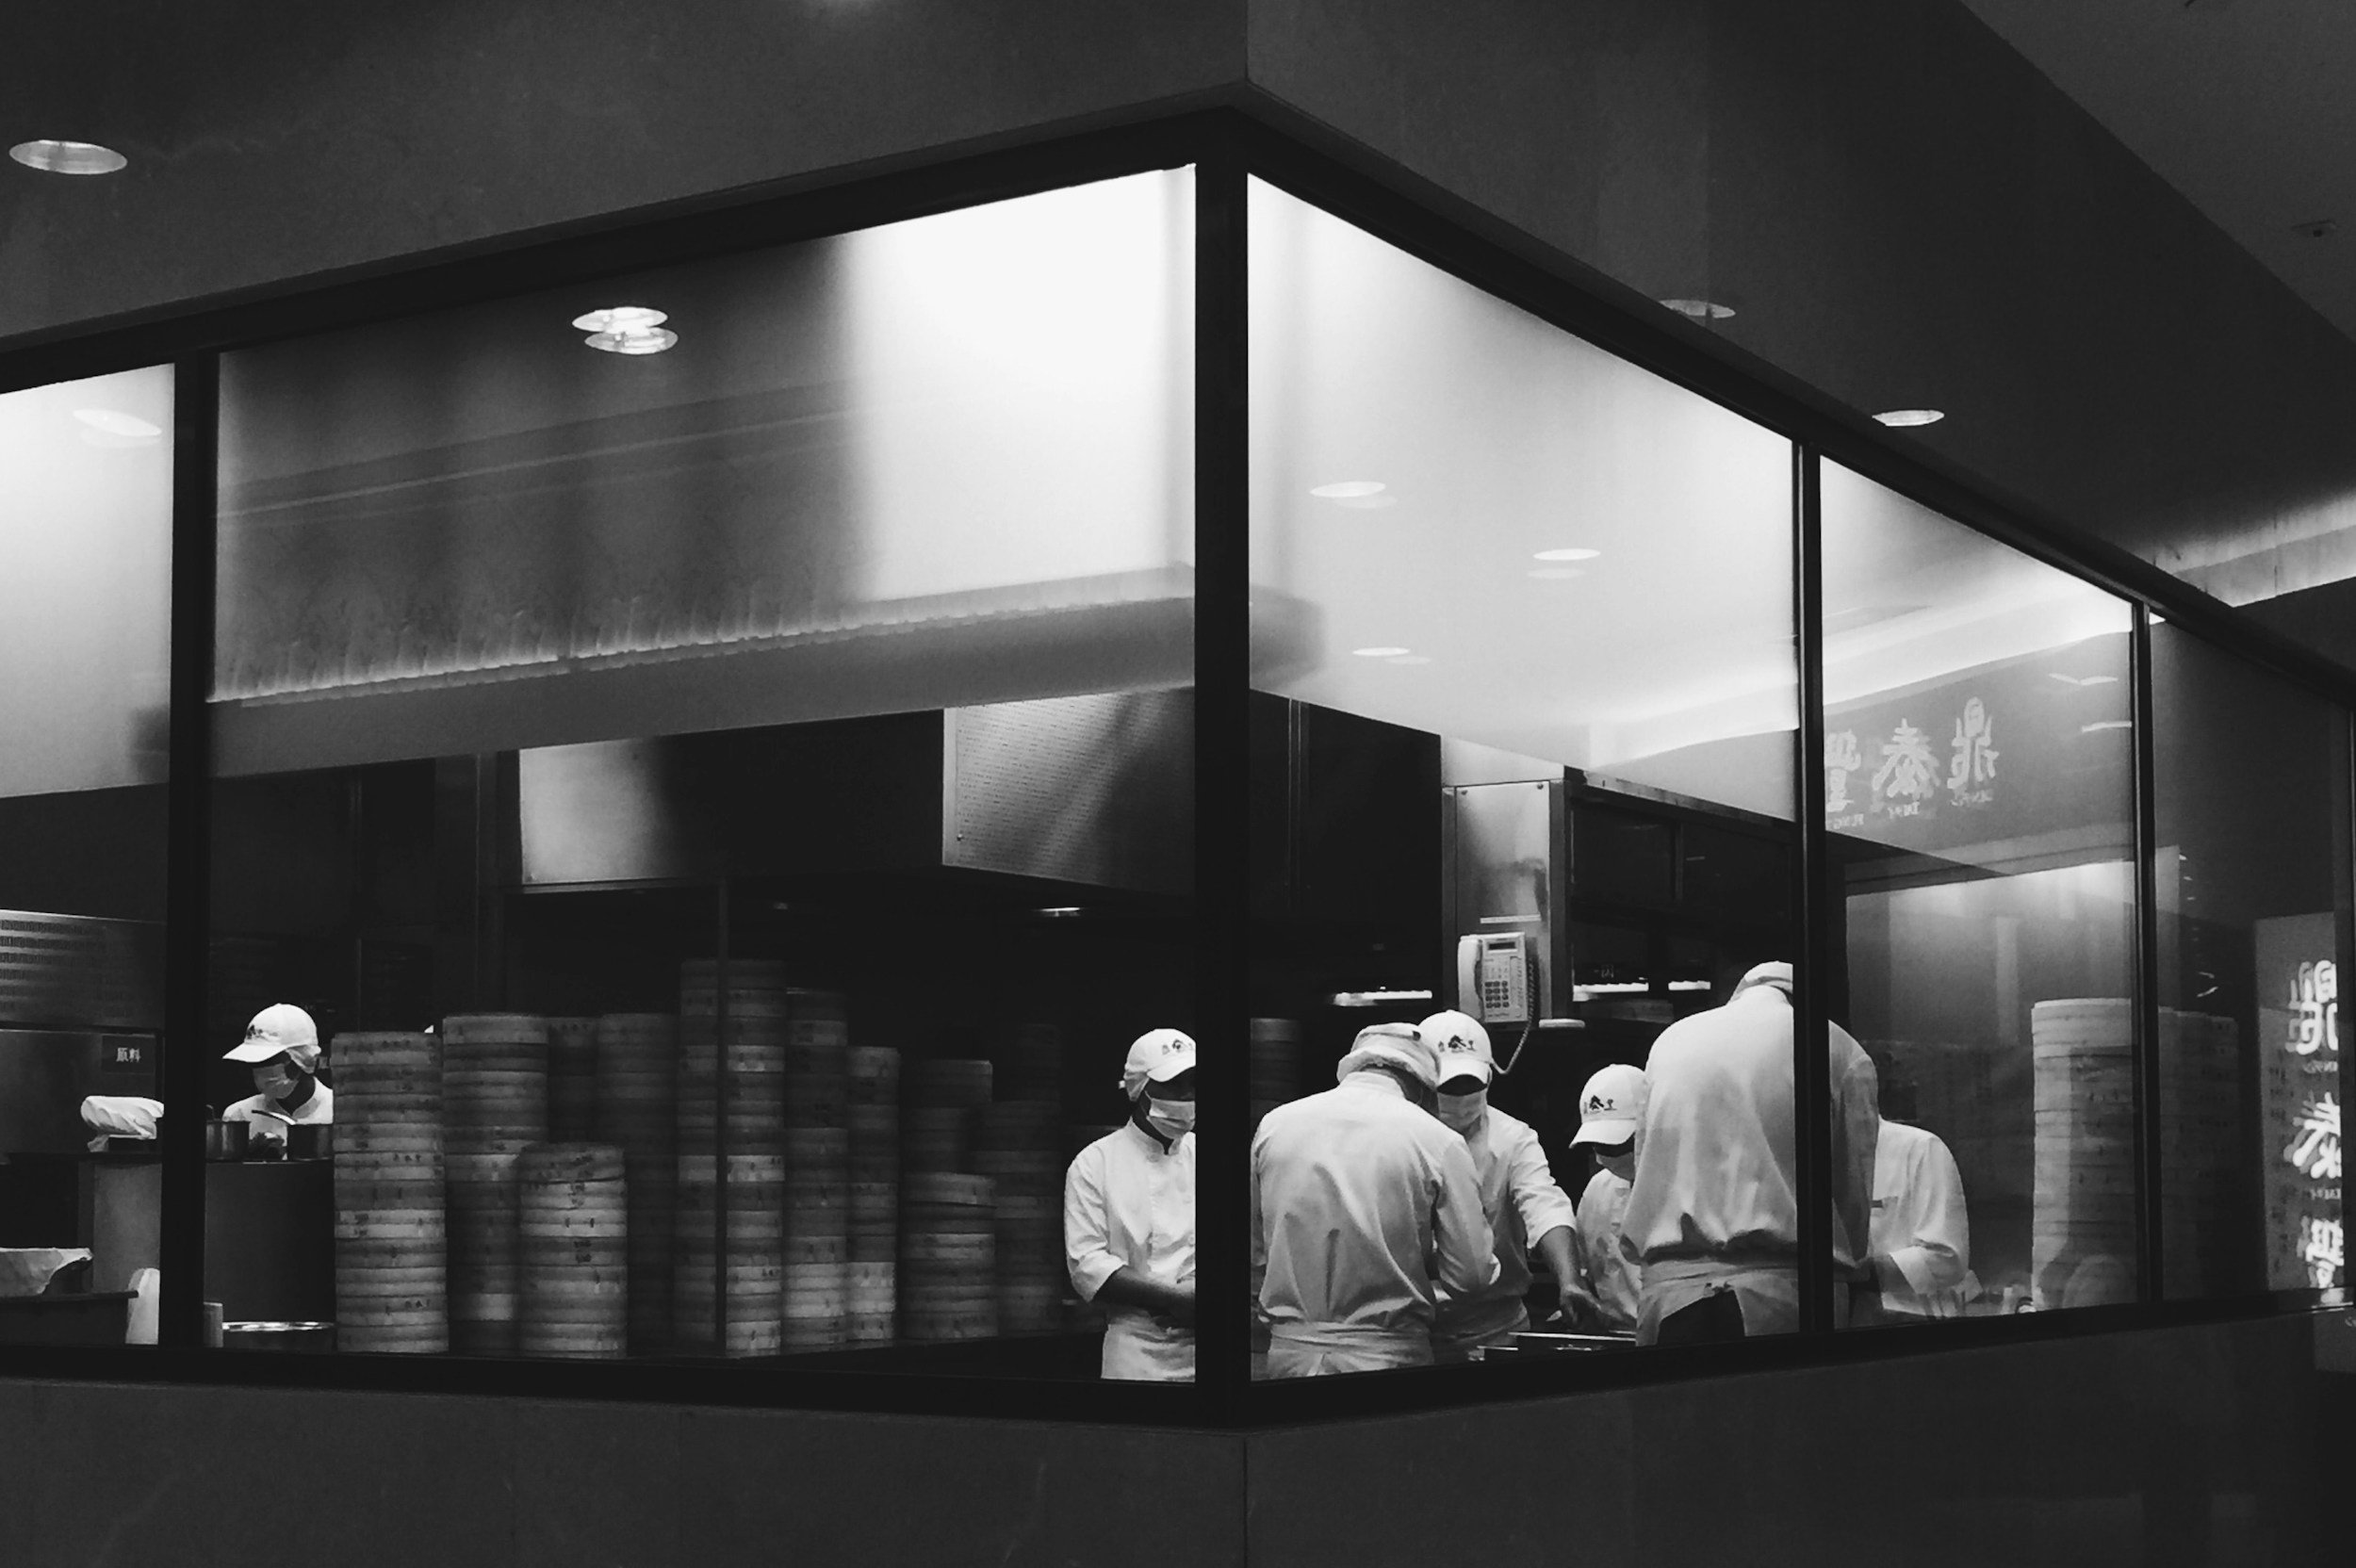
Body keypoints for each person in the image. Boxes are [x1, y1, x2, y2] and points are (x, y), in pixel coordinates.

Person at [1618, 961, 1878, 1344]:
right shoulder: (1835, 1045)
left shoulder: (1671, 1041)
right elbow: (1853, 1189)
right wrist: (1851, 1269)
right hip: (1787, 1295)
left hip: (1670, 1294)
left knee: (1673, 1403)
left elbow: (1645, 1164)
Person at [1251, 1021, 1497, 1377]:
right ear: (1424, 1085)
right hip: (1386, 1359)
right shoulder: (1438, 1139)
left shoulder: (1274, 1125)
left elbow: (1254, 1252)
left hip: (1289, 1355)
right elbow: (1471, 1277)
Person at [1416, 1009, 1591, 1360]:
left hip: (1495, 1326)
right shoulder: (1401, 1136)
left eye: (1470, 1084)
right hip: (1413, 1330)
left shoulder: (1512, 1138)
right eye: (1449, 1086)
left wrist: (1570, 1280)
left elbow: (1543, 1203)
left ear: (1489, 1078)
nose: (1461, 1096)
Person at [1064, 1027, 1197, 1381]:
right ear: (1140, 1089)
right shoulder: (1095, 1163)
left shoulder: (1209, 1155)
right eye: (1172, 1085)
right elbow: (1087, 1264)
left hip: (1205, 1346)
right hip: (1135, 1351)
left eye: (1192, 1083)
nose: (1186, 1095)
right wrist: (1172, 1299)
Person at [1861, 1117, 1972, 1321]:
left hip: (1913, 1325)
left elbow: (1947, 1259)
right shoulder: (1799, 1157)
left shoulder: (1920, 1148)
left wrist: (1859, 1276)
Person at [1567, 1062, 1648, 1334]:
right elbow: (1590, 1269)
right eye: (1600, 1145)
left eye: (1618, 1144)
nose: (1607, 1155)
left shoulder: (1685, 1183)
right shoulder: (1597, 1190)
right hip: (1614, 1335)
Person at [219, 1003, 334, 1146]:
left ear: (300, 1059)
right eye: (255, 1062)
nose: (260, 1069)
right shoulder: (239, 1117)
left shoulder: (339, 1114)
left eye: (268, 1060)